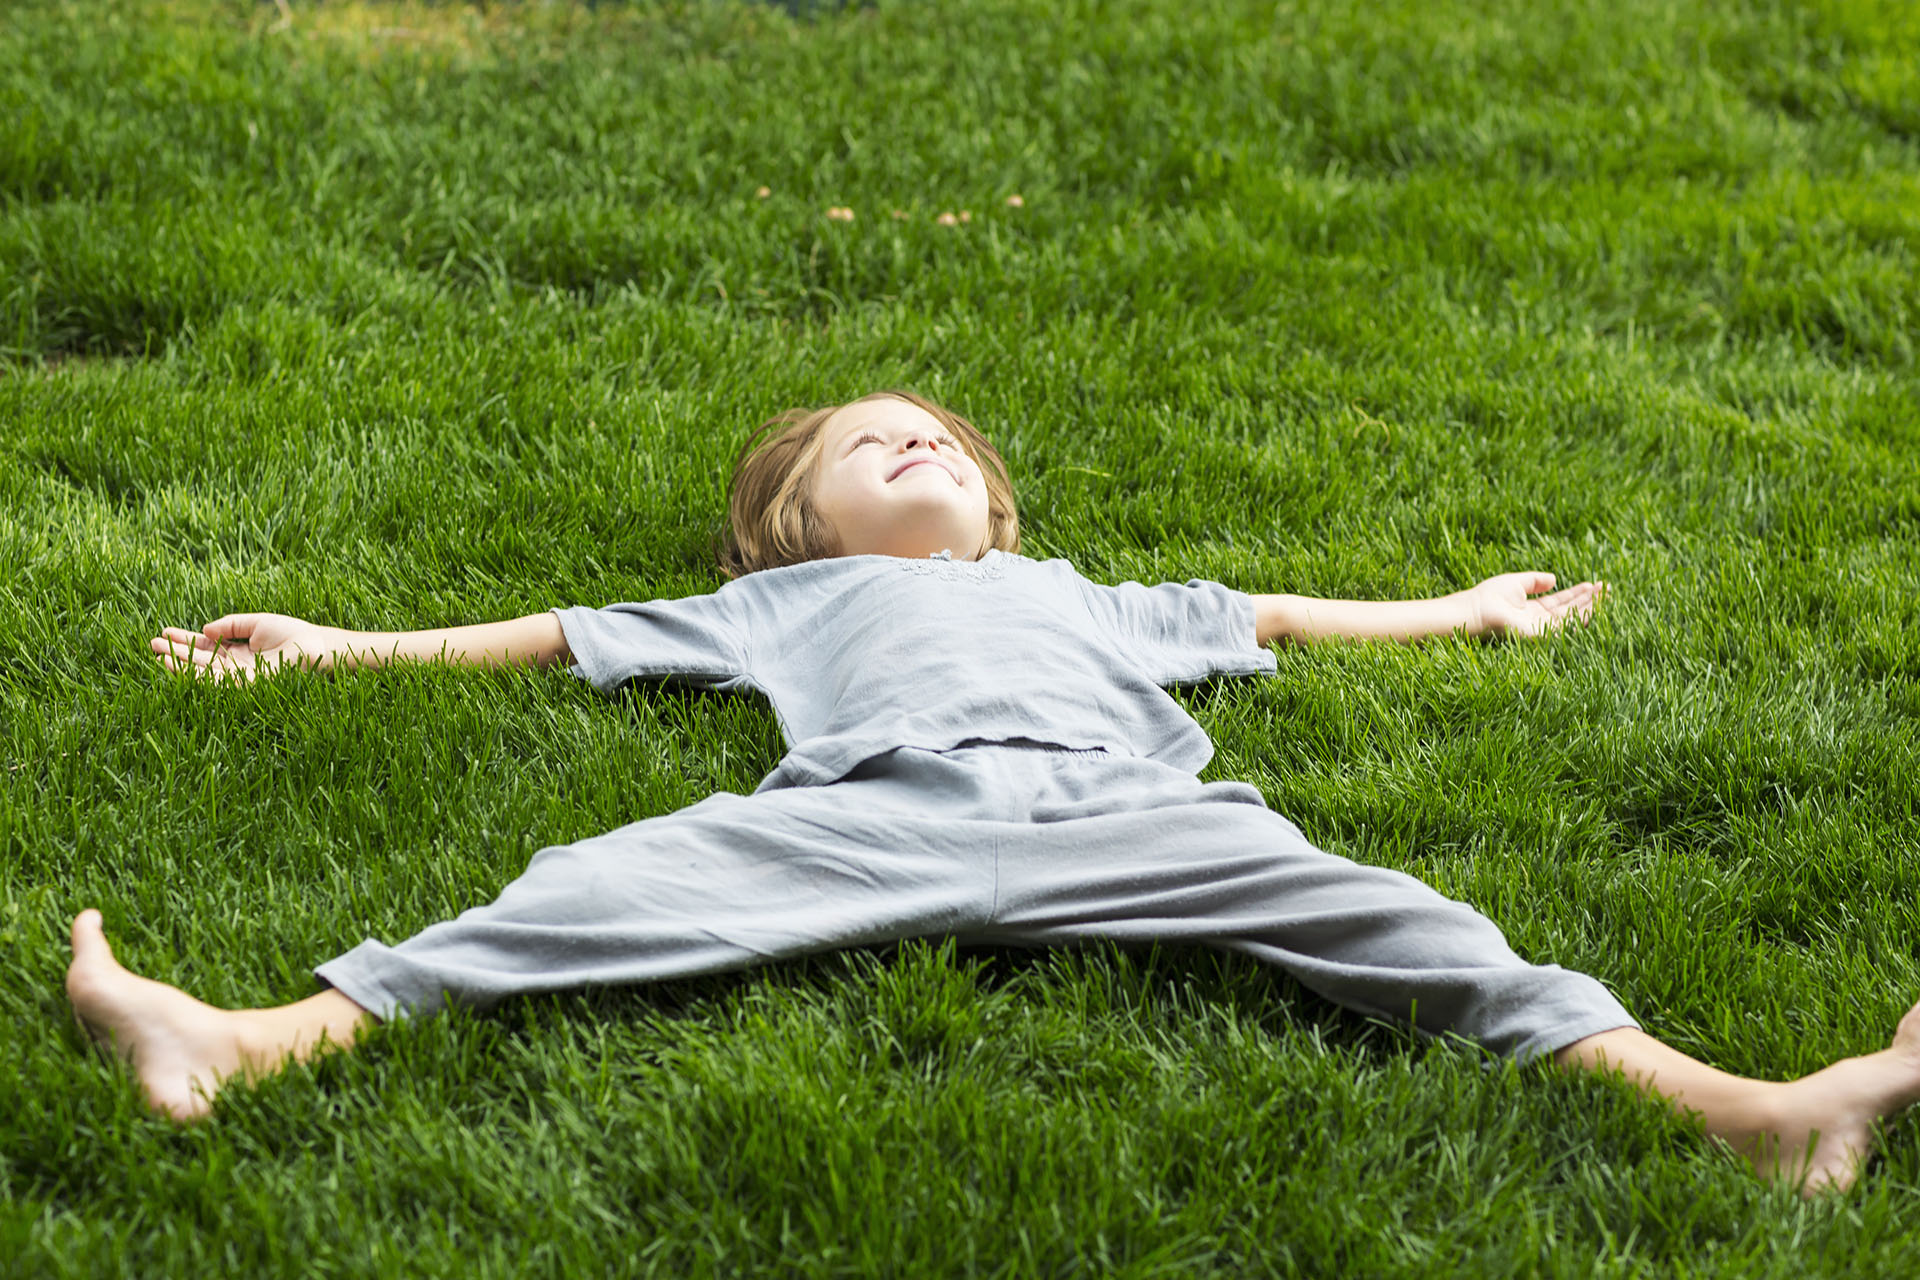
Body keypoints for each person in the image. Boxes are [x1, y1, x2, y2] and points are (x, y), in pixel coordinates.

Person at [69, 390, 1920, 1196]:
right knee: (589, 888)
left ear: (993, 504)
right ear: (790, 525)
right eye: (869, 441)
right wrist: (329, 645)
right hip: (867, 805)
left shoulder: (1080, 595)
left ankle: (1749, 1113)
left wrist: (1466, 613)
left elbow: (1268, 613)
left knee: (1423, 931)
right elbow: (554, 636)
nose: (916, 441)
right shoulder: (778, 603)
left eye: (940, 439)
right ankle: (249, 1037)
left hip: (1137, 812)